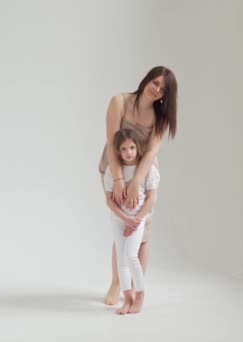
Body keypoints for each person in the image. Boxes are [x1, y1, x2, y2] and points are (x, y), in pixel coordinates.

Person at [98, 66, 177, 305]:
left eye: (162, 89)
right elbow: (112, 143)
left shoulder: (160, 118)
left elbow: (152, 151)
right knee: (122, 227)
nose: (156, 89)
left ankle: (135, 287)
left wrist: (137, 183)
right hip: (115, 170)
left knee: (141, 233)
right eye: (155, 82)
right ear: (146, 80)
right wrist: (121, 180)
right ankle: (117, 282)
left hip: (143, 175)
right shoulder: (119, 102)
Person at [103, 128, 160, 314]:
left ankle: (139, 295)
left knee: (131, 255)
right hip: (119, 219)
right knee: (122, 259)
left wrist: (135, 220)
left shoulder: (148, 170)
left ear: (138, 148)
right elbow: (109, 201)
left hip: (137, 219)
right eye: (124, 149)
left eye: (132, 147)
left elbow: (151, 198)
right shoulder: (112, 171)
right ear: (118, 151)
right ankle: (127, 298)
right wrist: (125, 218)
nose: (129, 152)